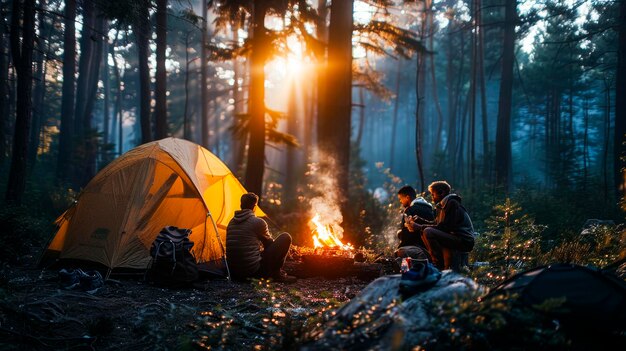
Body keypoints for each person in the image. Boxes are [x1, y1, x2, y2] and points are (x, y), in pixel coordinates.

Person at [226, 193, 296, 283]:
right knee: (286, 237)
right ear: (255, 207)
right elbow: (269, 244)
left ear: (240, 205)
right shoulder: (257, 222)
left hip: (234, 272)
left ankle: (274, 273)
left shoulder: (231, 222)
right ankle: (276, 275)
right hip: (252, 272)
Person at [405, 181, 475, 270]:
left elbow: (445, 227)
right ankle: (435, 261)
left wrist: (419, 226)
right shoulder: (441, 205)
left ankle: (439, 265)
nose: (432, 197)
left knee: (428, 231)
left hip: (464, 240)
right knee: (424, 231)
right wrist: (419, 220)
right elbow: (436, 224)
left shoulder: (452, 203)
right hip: (454, 237)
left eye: (433, 194)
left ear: (441, 193)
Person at [396, 185, 435, 249]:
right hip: (431, 246)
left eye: (400, 199)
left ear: (407, 197)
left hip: (417, 246)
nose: (400, 201)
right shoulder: (430, 208)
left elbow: (407, 235)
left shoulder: (409, 210)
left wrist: (399, 249)